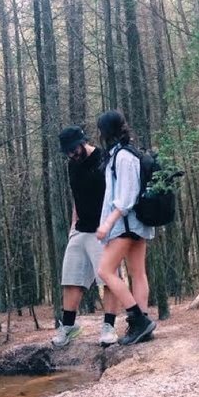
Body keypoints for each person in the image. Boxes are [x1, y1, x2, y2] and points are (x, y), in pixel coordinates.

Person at [52, 126, 120, 347]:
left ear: (82, 142)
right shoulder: (73, 166)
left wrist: (112, 225)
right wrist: (74, 224)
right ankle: (69, 327)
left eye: (73, 149)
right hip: (81, 230)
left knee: (108, 279)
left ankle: (109, 327)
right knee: (70, 277)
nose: (71, 154)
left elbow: (116, 194)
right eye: (67, 152)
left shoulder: (103, 159)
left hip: (104, 230)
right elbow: (76, 196)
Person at [95, 110, 156, 345]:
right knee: (137, 273)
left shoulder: (122, 157)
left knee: (105, 271)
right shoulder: (125, 154)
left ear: (106, 131)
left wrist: (108, 223)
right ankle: (143, 327)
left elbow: (126, 197)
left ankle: (138, 319)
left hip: (125, 224)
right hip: (134, 224)